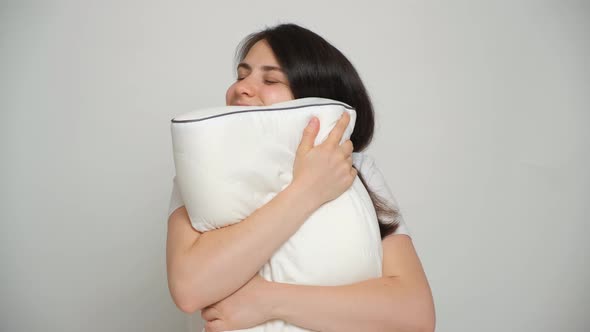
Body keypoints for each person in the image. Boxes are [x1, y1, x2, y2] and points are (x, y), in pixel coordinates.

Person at [166, 23, 435, 332]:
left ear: (315, 98)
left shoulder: (358, 170)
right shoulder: (202, 172)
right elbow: (190, 288)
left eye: (270, 79)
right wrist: (307, 191)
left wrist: (269, 301)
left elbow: (415, 315)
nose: (241, 87)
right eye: (241, 75)